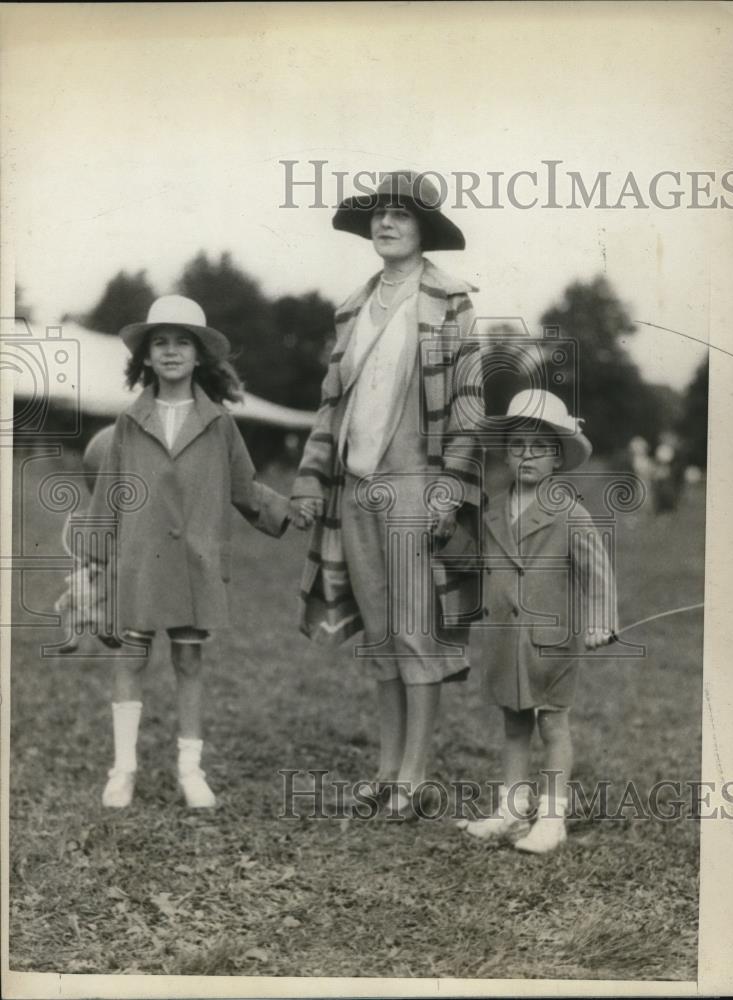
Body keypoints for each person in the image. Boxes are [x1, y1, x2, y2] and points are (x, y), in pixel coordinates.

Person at [291, 171, 483, 820]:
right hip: (355, 489)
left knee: (413, 631)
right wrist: (312, 479)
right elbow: (329, 405)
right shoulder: (351, 307)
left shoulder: (450, 301)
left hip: (414, 486)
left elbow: (468, 404)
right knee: (377, 634)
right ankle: (384, 768)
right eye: (376, 213)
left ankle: (416, 774)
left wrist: (449, 488)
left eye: (400, 214)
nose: (385, 223)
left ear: (422, 228)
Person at [86, 295, 291, 810]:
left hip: (194, 562)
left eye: (183, 342)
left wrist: (294, 513)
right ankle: (123, 770)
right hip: (138, 561)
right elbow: (107, 494)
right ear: (147, 356)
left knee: (189, 660)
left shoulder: (219, 422)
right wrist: (93, 564)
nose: (172, 351)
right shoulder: (129, 423)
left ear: (200, 356)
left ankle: (190, 769)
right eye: (161, 342)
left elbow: (246, 490)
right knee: (131, 657)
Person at [459, 390, 617, 853]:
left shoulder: (570, 513)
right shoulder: (491, 509)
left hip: (552, 639)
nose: (527, 455)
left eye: (540, 447)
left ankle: (551, 818)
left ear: (557, 458)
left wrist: (602, 620)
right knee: (513, 722)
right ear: (506, 452)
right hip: (504, 637)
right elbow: (476, 564)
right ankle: (511, 811)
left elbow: (598, 573)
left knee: (552, 724)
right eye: (517, 445)